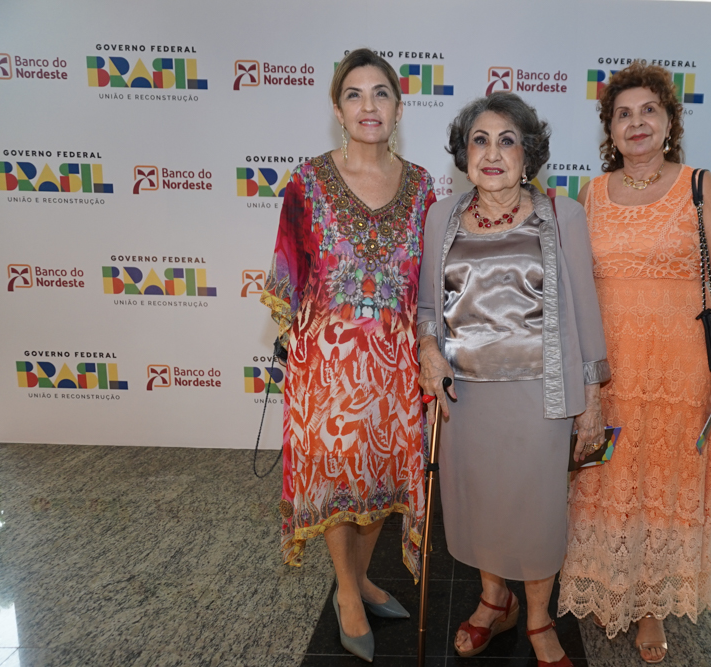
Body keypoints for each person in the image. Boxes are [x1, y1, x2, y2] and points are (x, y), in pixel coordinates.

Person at [557, 62, 711, 664]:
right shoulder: (590, 195)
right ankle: (605, 580)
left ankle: (651, 606)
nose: (636, 123)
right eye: (623, 113)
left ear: (669, 122)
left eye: (648, 110)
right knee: (605, 479)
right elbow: (575, 288)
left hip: (678, 374)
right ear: (609, 129)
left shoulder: (698, 185)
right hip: (609, 374)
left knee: (664, 484)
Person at [417, 92, 610, 667]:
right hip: (466, 398)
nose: (492, 153)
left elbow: (586, 312)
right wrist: (428, 349)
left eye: (508, 141)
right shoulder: (440, 216)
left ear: (528, 156)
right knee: (481, 506)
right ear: (464, 154)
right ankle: (492, 601)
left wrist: (592, 399)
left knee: (536, 513)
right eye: (480, 140)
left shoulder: (561, 216)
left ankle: (538, 619)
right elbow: (427, 308)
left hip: (539, 398)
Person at [260, 48, 436, 663]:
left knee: (384, 475)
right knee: (338, 476)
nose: (369, 106)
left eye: (381, 93)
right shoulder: (307, 182)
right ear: (337, 110)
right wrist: (297, 339)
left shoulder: (422, 186)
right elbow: (287, 269)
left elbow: (429, 280)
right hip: (327, 362)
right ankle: (346, 592)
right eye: (354, 95)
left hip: (396, 361)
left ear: (398, 107)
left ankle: (360, 577)